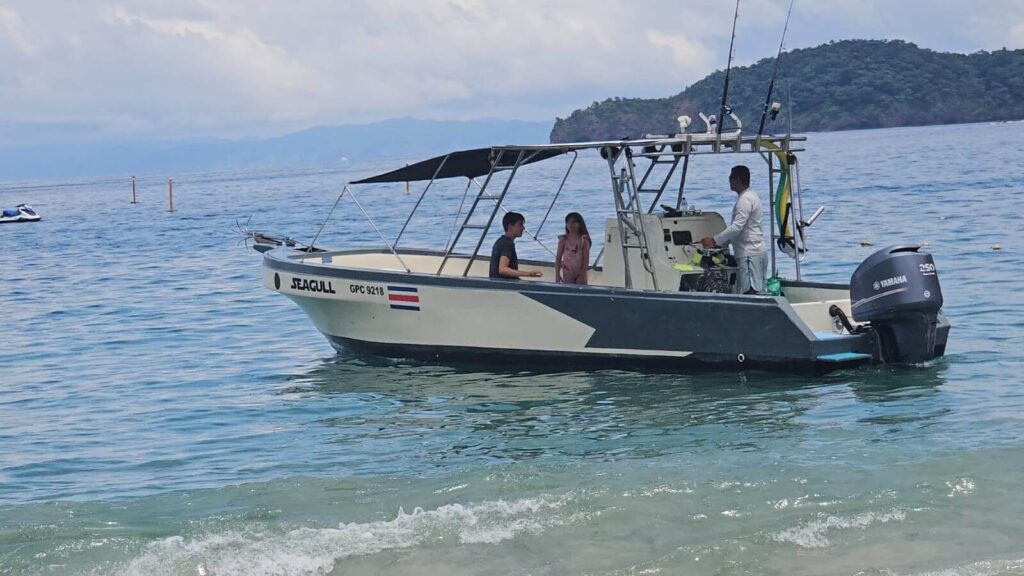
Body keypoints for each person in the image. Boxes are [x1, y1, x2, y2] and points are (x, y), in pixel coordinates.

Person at [700, 165, 767, 294]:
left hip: (749, 254)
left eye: (730, 178)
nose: (729, 180)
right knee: (758, 290)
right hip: (757, 251)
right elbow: (746, 229)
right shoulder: (752, 196)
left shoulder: (745, 200)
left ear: (737, 179)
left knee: (750, 291)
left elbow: (737, 227)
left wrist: (714, 241)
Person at [489, 212, 543, 280]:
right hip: (504, 285)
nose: (523, 228)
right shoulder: (507, 244)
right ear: (510, 227)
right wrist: (528, 274)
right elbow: (503, 269)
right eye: (520, 225)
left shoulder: (500, 241)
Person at [555, 212, 591, 285]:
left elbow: (586, 260)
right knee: (569, 288)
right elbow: (558, 258)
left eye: (573, 222)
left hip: (580, 271)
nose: (570, 225)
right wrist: (557, 274)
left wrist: (583, 274)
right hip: (567, 271)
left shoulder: (584, 240)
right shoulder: (563, 239)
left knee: (580, 291)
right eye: (568, 222)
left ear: (579, 224)